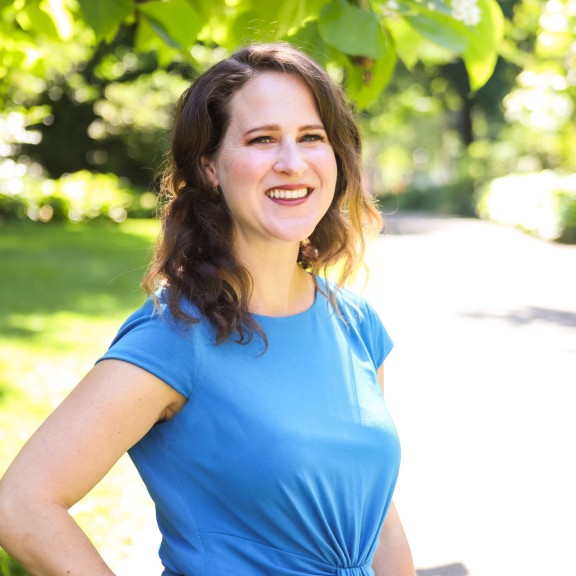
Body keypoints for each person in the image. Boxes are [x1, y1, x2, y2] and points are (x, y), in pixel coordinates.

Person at [0, 42, 414, 576]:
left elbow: (377, 519)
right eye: (262, 139)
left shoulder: (356, 323)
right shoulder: (175, 336)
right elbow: (22, 503)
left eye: (311, 137)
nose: (292, 163)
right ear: (210, 168)